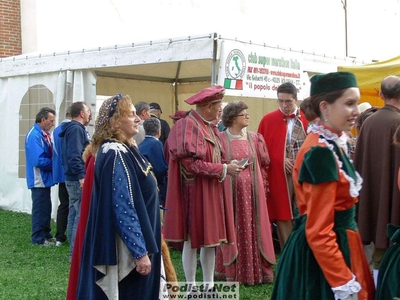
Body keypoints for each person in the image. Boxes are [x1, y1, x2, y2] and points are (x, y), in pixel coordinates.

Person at [271, 71, 375, 300]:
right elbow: (319, 231)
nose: (356, 111)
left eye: (356, 103)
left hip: (342, 244)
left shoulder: (333, 142)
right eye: (349, 103)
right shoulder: (320, 153)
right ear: (325, 108)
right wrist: (343, 283)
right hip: (325, 256)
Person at [76, 93, 162, 299]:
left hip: (141, 240)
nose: (138, 118)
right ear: (115, 122)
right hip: (127, 255)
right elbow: (123, 206)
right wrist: (140, 253)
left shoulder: (126, 148)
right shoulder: (114, 152)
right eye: (131, 114)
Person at [163, 85, 242, 292]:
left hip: (210, 191)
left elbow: (215, 156)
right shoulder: (187, 125)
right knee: (192, 240)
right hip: (194, 193)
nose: (220, 111)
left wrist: (229, 164)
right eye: (218, 107)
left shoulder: (208, 126)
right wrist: (224, 168)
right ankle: (191, 288)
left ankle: (208, 287)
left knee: (211, 241)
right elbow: (192, 165)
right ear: (208, 106)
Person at [215, 100, 276, 285]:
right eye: (244, 114)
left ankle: (257, 269)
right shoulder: (221, 139)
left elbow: (264, 161)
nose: (248, 116)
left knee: (253, 226)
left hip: (252, 193)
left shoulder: (254, 138)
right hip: (231, 193)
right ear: (233, 118)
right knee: (233, 226)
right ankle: (233, 271)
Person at [353, 75, 400, 285]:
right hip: (394, 201)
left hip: (372, 201)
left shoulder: (368, 122)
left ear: (381, 95)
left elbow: (359, 166)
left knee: (377, 256)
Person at [257, 82, 309, 251]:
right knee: (283, 213)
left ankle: (305, 250)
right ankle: (288, 251)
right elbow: (262, 149)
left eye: (288, 101)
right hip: (280, 175)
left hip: (305, 174)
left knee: (306, 211)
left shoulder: (309, 118)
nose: (284, 106)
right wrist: (279, 158)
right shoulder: (268, 120)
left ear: (296, 99)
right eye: (280, 101)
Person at [59, 101, 91, 261]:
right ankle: (76, 253)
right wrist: (82, 176)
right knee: (80, 213)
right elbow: (75, 155)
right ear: (81, 113)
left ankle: (74, 253)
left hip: (71, 177)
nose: (90, 114)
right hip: (76, 178)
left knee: (74, 212)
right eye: (88, 111)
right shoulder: (76, 130)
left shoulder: (71, 129)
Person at [25, 107, 56, 246]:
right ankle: (38, 238)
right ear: (42, 120)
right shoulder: (34, 135)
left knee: (46, 206)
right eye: (51, 121)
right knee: (40, 208)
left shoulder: (43, 133)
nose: (53, 124)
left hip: (45, 178)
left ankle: (46, 233)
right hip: (38, 179)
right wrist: (55, 164)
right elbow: (38, 160)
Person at [51, 106, 71, 246]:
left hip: (60, 174)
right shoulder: (73, 129)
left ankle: (59, 236)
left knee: (63, 205)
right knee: (75, 206)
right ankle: (73, 236)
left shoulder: (55, 131)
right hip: (71, 174)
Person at [139, 117, 168, 207]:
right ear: (159, 131)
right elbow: (160, 168)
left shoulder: (140, 144)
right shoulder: (156, 143)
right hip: (154, 184)